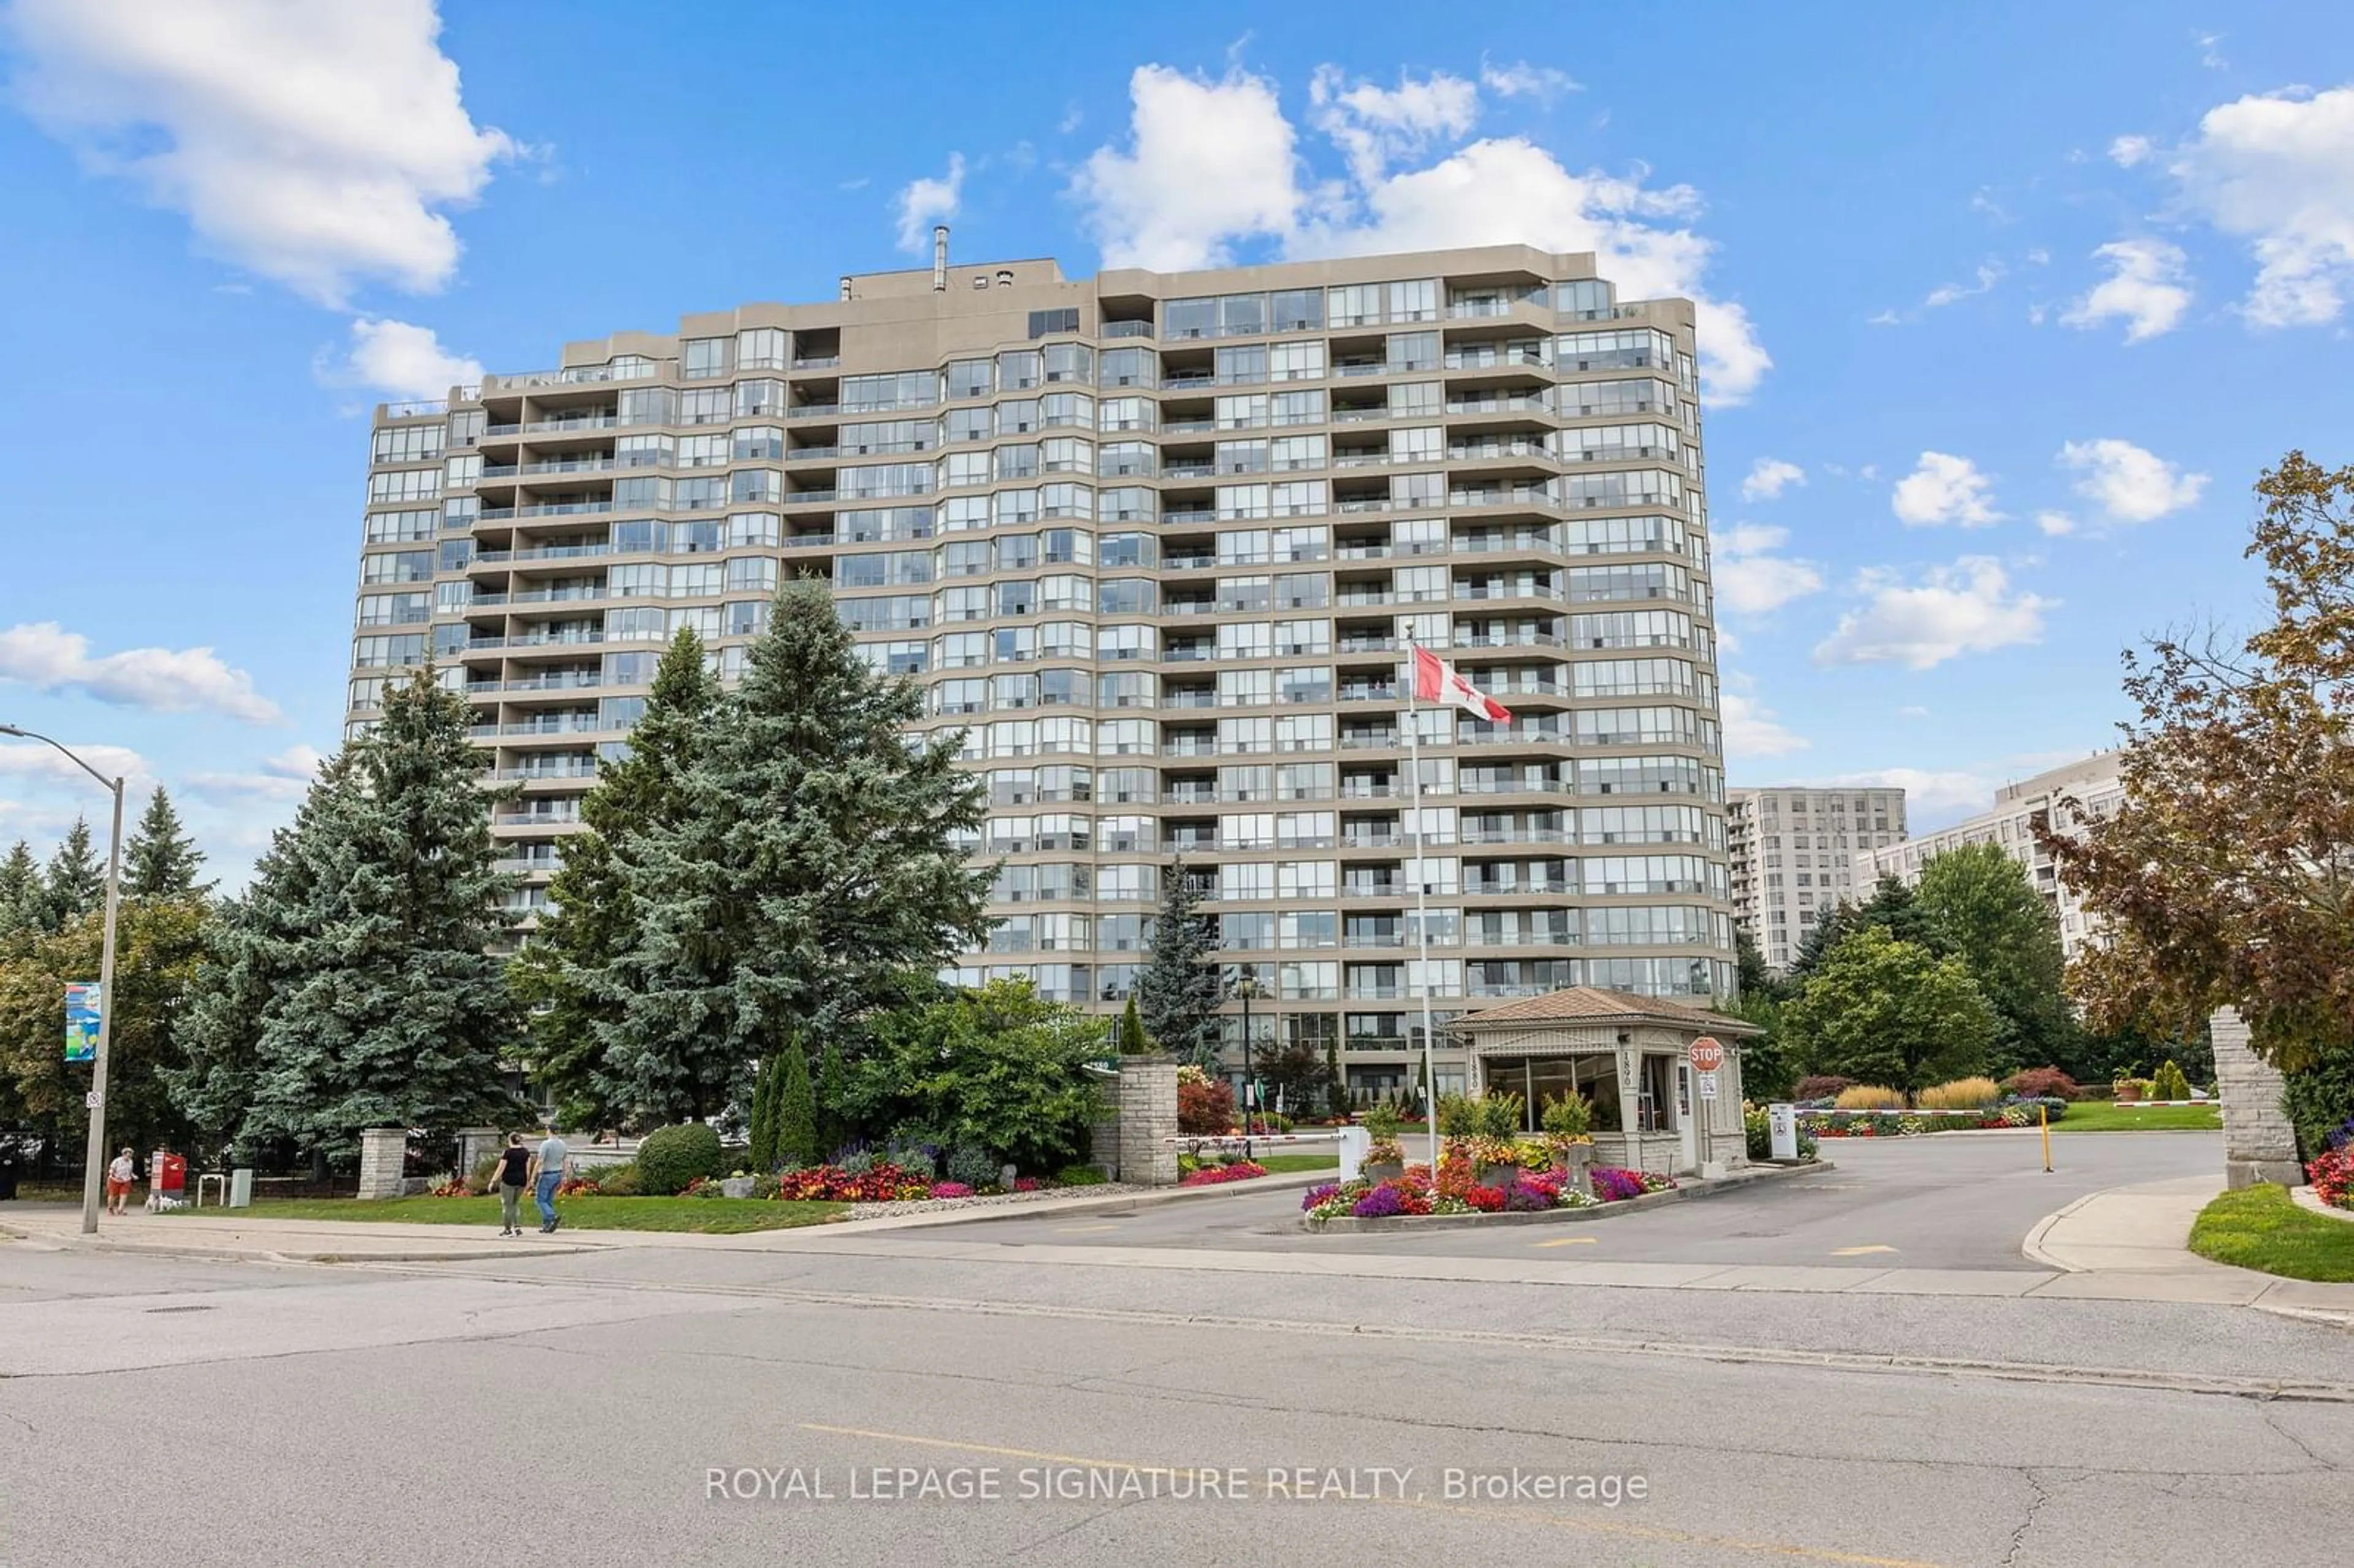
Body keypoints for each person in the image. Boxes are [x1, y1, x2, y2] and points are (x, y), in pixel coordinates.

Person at [529, 1125, 568, 1234]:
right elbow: (564, 1161)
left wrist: (533, 1177)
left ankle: (552, 1217)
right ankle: (547, 1225)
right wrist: (565, 1175)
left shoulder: (546, 1144)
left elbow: (540, 1161)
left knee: (540, 1200)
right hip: (558, 1173)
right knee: (548, 1200)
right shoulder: (563, 1144)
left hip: (547, 1174)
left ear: (550, 1131)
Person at [493, 1132, 533, 1237]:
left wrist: (493, 1180)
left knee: (507, 1205)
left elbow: (501, 1168)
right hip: (521, 1181)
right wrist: (528, 1181)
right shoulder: (526, 1153)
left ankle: (507, 1229)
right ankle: (517, 1226)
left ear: (510, 1140)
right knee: (515, 1204)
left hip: (508, 1181)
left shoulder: (508, 1153)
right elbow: (527, 1170)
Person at [105, 1147, 135, 1217]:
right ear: (124, 1155)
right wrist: (114, 1175)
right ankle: (110, 1208)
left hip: (126, 1180)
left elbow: (130, 1171)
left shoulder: (131, 1162)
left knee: (124, 1195)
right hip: (115, 1180)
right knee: (113, 1195)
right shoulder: (117, 1161)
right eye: (127, 1155)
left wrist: (133, 1176)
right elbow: (111, 1170)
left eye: (130, 1155)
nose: (129, 1157)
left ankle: (120, 1209)